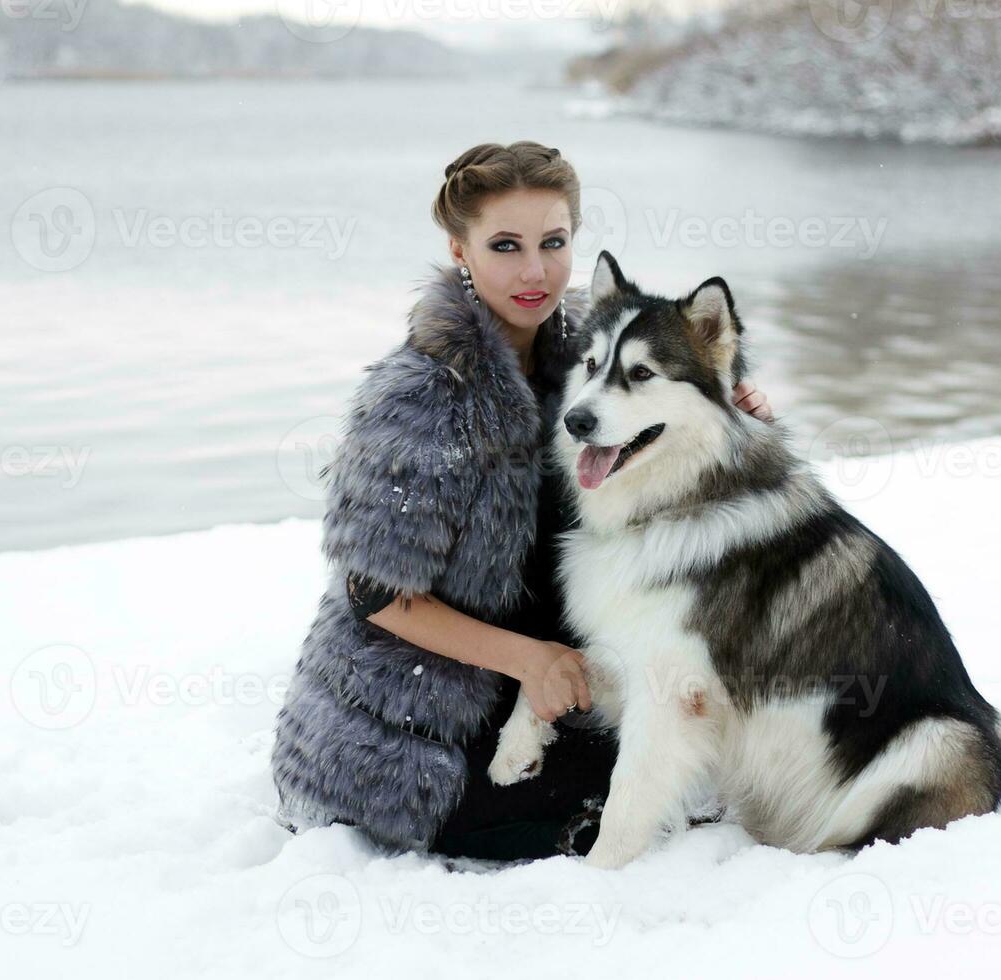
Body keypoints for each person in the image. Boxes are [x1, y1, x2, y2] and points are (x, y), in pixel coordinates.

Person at [270, 141, 774, 862]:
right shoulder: (420, 399)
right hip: (408, 729)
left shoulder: (590, 359)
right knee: (647, 797)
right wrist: (529, 661)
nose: (536, 271)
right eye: (505, 246)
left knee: (704, 747)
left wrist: (732, 415)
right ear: (459, 250)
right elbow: (374, 592)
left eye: (554, 242)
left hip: (549, 678)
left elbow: (673, 446)